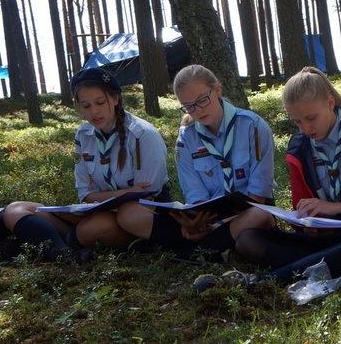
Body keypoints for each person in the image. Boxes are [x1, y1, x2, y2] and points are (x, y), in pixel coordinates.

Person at [195, 66, 341, 293]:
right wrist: (307, 224)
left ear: (330, 103)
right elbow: (303, 209)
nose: (306, 128)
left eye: (311, 118)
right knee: (248, 239)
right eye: (297, 121)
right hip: (333, 239)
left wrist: (339, 208)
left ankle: (262, 282)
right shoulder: (299, 147)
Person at [1, 68, 169, 262]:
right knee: (15, 209)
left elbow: (146, 195)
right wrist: (121, 194)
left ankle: (43, 247)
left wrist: (104, 200)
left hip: (134, 219)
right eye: (86, 105)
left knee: (95, 227)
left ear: (115, 99)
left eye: (100, 102)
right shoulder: (83, 135)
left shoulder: (142, 134)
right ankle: (63, 251)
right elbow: (85, 194)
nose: (94, 112)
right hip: (94, 214)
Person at [117, 64, 276, 260]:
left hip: (245, 213)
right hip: (208, 219)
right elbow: (197, 198)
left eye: (202, 100)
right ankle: (214, 246)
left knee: (260, 216)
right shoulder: (186, 139)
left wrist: (218, 225)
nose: (198, 110)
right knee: (128, 213)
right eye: (189, 106)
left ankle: (187, 251)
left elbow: (258, 198)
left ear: (217, 90)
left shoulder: (253, 126)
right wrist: (197, 224)